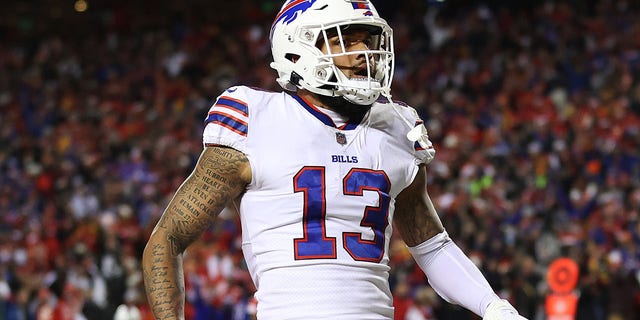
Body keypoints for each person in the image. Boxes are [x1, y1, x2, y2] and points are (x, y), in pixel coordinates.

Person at [142, 0, 528, 319]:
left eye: (368, 41)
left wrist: (493, 307)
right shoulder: (255, 118)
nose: (364, 54)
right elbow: (169, 237)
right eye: (346, 41)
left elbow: (432, 246)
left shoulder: (397, 126)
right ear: (298, 47)